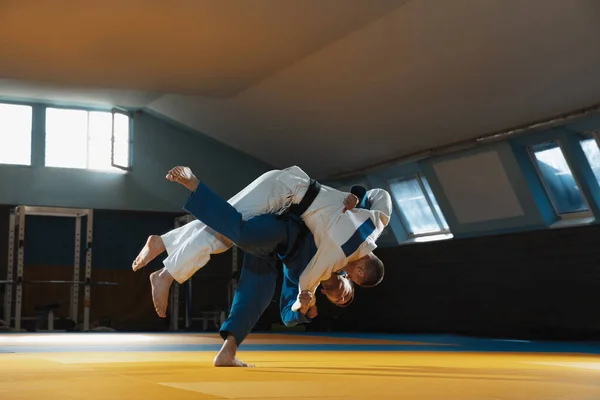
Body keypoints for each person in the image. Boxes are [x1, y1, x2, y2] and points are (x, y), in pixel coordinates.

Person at [134, 165, 391, 316]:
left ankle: (163, 242)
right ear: (359, 270)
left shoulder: (378, 223)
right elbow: (307, 278)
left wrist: (356, 195)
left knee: (223, 221)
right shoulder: (339, 253)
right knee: (224, 232)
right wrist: (306, 298)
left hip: (288, 184)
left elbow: (379, 193)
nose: (347, 276)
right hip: (283, 193)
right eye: (353, 278)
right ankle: (166, 274)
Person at [166, 173, 357, 366]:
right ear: (349, 278)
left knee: (258, 293)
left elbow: (286, 313)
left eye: (339, 302)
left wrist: (302, 307)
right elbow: (371, 209)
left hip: (277, 251)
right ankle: (195, 186)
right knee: (243, 235)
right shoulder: (345, 253)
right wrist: (354, 198)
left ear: (326, 294)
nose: (342, 298)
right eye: (348, 296)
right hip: (284, 224)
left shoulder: (309, 285)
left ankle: (227, 352)